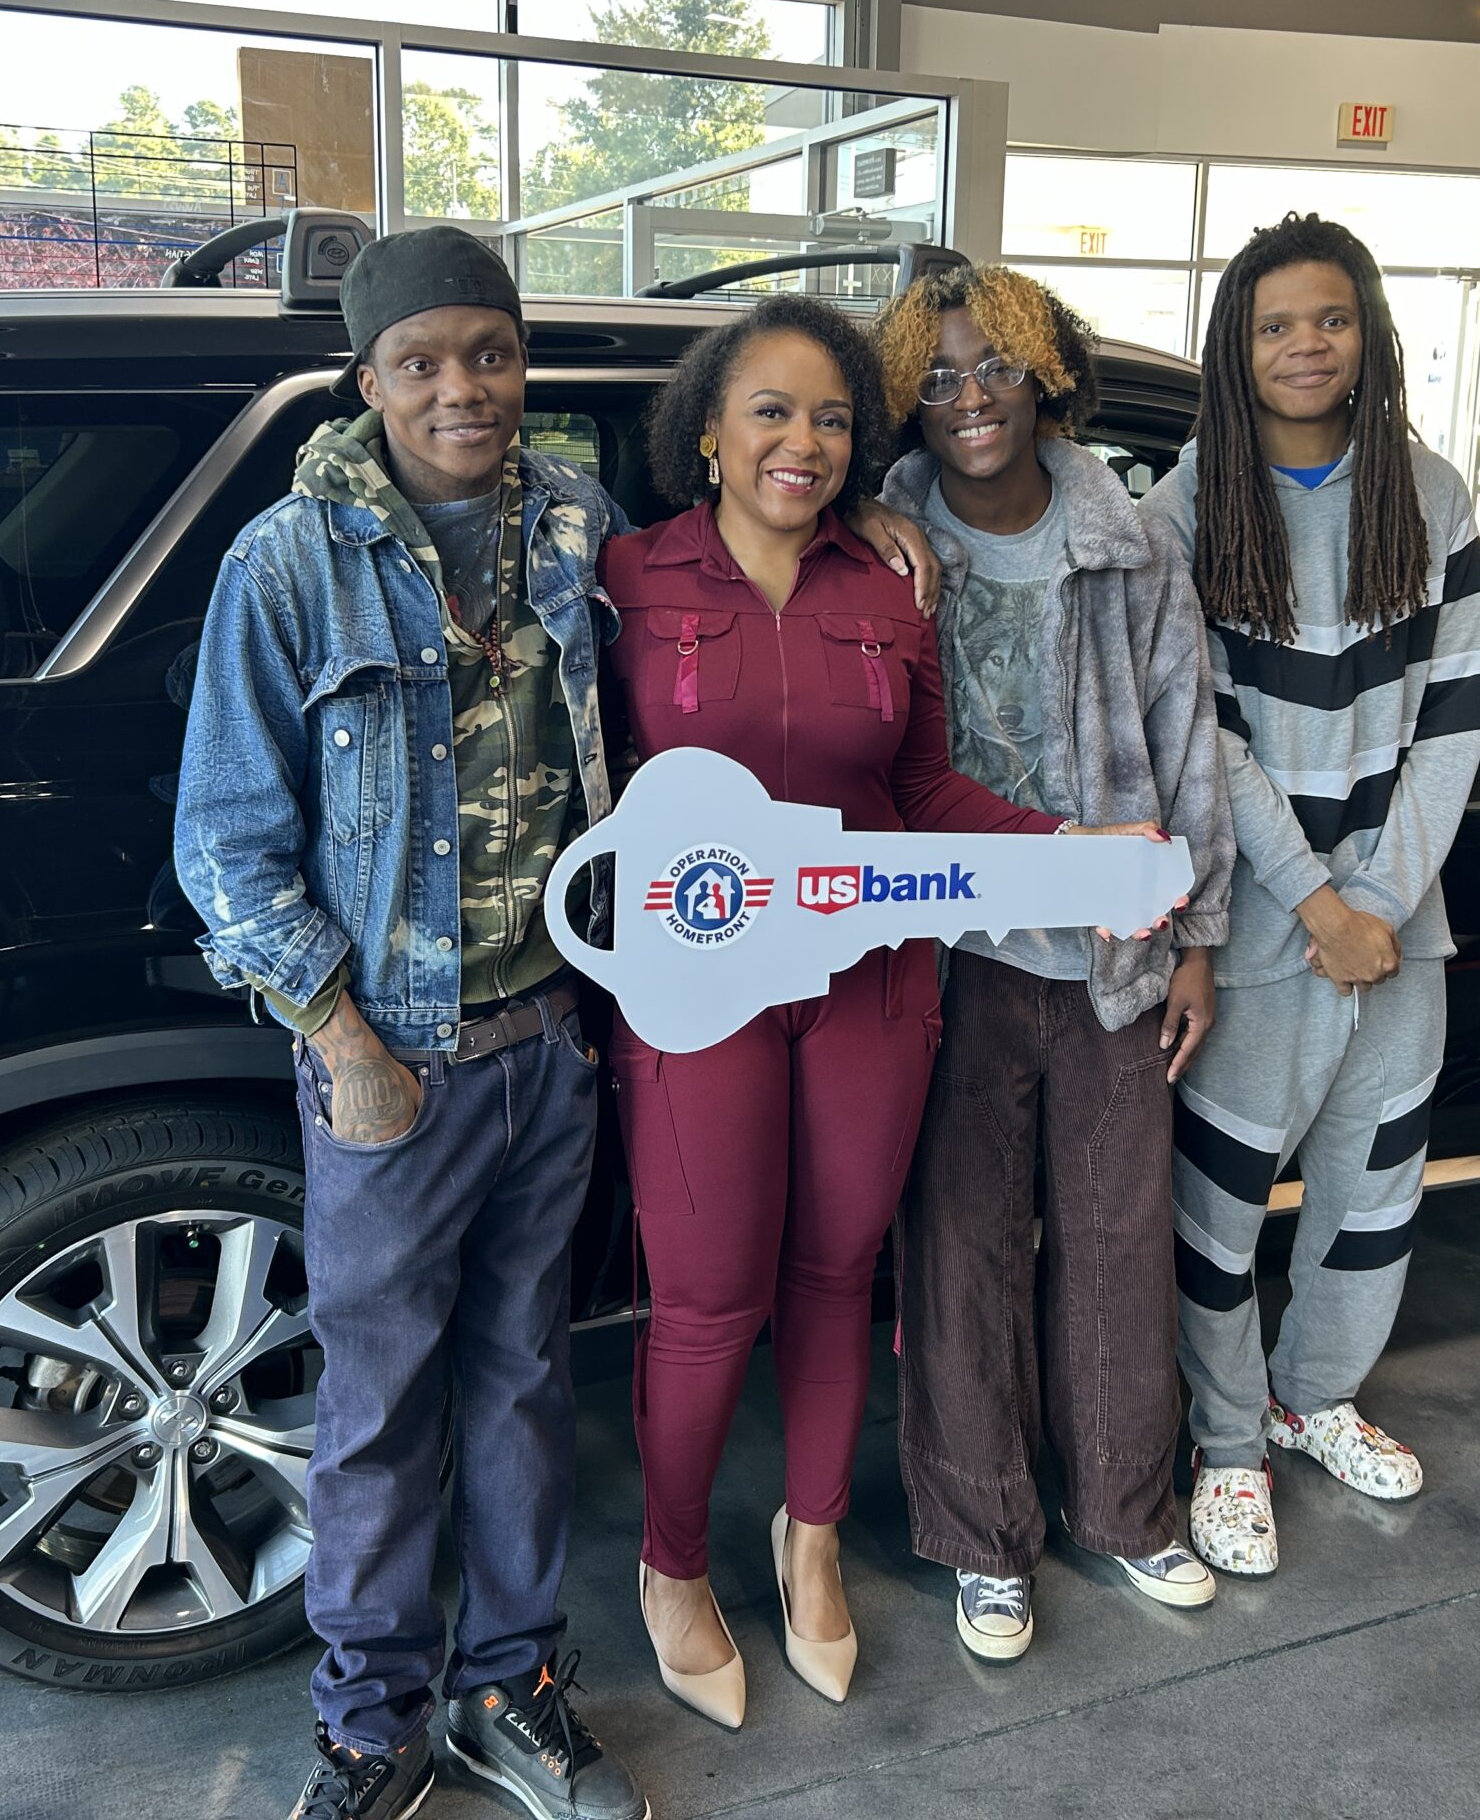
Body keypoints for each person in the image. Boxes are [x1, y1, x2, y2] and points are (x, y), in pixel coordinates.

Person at [176, 229, 945, 1820]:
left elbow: (743, 549)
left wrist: (860, 507)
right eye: (423, 362)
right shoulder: (288, 566)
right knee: (382, 1401)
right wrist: (344, 1046)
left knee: (524, 1376)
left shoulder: (576, 526)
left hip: (562, 1036)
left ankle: (509, 1688)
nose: (463, 389)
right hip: (390, 1050)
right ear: (369, 377)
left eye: (491, 355)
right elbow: (225, 841)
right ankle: (367, 1717)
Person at [596, 293, 1166, 1729]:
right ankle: (672, 1569)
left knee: (839, 1277)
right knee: (710, 1300)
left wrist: (1062, 847)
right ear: (709, 436)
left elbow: (921, 797)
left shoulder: (891, 587)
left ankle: (812, 1543)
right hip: (696, 991)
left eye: (835, 417)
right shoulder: (624, 577)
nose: (804, 441)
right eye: (772, 412)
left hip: (872, 985)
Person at [869, 263, 1236, 1664]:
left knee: (1117, 1229)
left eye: (997, 369)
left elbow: (1188, 740)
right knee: (959, 1245)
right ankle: (982, 1538)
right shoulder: (880, 530)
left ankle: (1132, 1510)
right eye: (942, 377)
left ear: (1047, 376)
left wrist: (1195, 936)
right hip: (946, 947)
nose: (971, 400)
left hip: (1111, 948)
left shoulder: (1129, 538)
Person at [1137, 213, 1480, 1579]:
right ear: (1236, 344)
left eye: (1329, 320)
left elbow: (1456, 712)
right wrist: (1314, 901)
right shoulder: (1183, 511)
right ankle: (1228, 1445)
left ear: (1368, 335)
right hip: (1263, 931)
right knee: (1219, 1204)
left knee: (1376, 1186)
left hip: (1403, 931)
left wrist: (1383, 903)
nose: (1305, 345)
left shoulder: (1431, 493)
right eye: (1276, 324)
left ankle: (1314, 1398)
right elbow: (1202, 736)